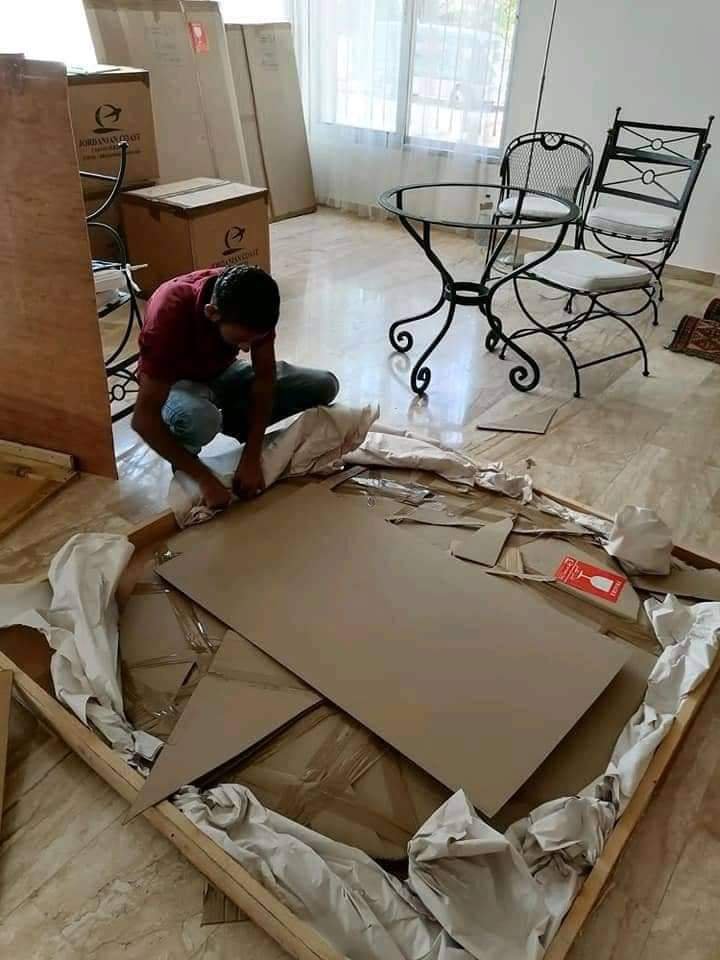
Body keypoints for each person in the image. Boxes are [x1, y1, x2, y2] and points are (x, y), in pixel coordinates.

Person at [131, 264, 339, 509]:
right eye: (240, 340)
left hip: (223, 371)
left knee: (324, 384)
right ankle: (187, 472)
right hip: (176, 382)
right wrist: (204, 479)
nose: (246, 348)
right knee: (200, 419)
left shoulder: (255, 299)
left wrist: (251, 457)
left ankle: (235, 422)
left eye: (253, 340)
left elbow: (265, 378)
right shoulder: (169, 310)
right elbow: (143, 420)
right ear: (212, 313)